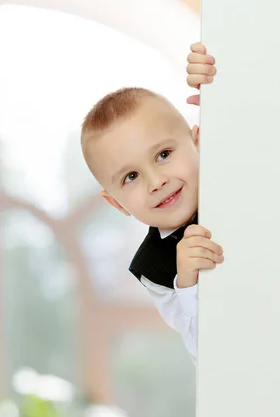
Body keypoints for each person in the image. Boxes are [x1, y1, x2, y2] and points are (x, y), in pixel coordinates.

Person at [80, 42, 218, 364]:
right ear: (116, 204)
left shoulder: (230, 171)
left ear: (197, 141)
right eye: (131, 177)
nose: (157, 182)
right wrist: (188, 283)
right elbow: (204, 355)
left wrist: (217, 85)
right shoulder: (155, 269)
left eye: (164, 155)